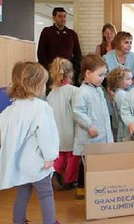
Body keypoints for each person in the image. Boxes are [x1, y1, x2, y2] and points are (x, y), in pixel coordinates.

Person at [0, 62, 60, 224]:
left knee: (23, 192)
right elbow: (47, 135)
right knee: (46, 193)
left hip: (19, 162)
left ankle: (18, 220)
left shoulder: (9, 110)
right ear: (37, 84)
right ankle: (50, 221)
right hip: (37, 162)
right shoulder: (41, 107)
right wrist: (50, 157)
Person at [72, 54, 113, 199]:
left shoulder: (98, 89)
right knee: (85, 164)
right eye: (100, 75)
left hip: (101, 135)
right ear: (88, 73)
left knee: (97, 162)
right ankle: (82, 189)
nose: (103, 78)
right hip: (90, 136)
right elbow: (77, 112)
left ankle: (97, 186)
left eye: (104, 75)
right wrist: (89, 126)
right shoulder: (82, 92)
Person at [46, 58, 79, 191]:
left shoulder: (51, 94)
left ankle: (55, 171)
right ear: (70, 73)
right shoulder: (74, 91)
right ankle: (69, 181)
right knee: (73, 156)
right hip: (71, 130)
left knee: (61, 155)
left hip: (57, 131)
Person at [37, 7, 82, 85]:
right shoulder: (47, 32)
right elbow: (41, 53)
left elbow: (78, 55)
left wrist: (72, 68)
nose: (63, 19)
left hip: (67, 73)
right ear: (54, 18)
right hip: (51, 72)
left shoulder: (72, 34)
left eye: (64, 16)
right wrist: (48, 68)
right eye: (60, 16)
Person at [106, 67, 133, 142]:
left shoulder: (119, 93)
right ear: (119, 81)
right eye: (128, 79)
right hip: (123, 127)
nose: (131, 81)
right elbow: (124, 112)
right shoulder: (121, 95)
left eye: (131, 78)